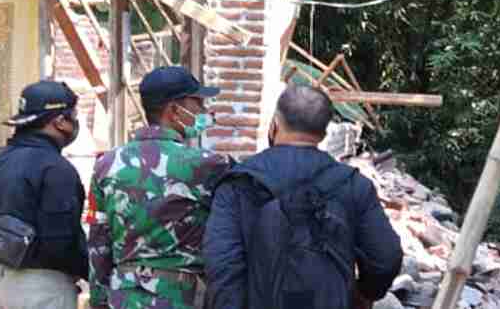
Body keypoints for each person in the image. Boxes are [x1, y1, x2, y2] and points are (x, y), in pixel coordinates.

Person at [204, 85, 403, 309]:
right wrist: (363, 294)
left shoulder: (238, 184)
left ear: (274, 124)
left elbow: (221, 265)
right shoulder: (354, 185)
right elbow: (386, 257)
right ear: (324, 133)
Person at [88, 66, 231, 309]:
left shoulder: (106, 165)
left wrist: (99, 301)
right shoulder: (208, 166)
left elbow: (98, 243)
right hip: (180, 297)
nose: (203, 112)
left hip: (123, 297)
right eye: (197, 104)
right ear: (174, 110)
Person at [0, 80, 88, 309]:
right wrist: (91, 272)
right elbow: (60, 241)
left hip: (4, 278)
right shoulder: (56, 168)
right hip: (41, 286)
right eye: (73, 115)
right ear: (60, 121)